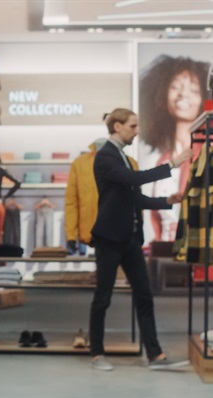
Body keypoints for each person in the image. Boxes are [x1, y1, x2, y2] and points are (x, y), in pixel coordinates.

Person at [89, 108, 192, 371]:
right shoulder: (105, 158)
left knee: (144, 296)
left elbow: (135, 198)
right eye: (132, 126)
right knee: (103, 298)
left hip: (131, 239)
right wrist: (173, 163)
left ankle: (155, 355)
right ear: (117, 127)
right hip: (110, 239)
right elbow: (133, 180)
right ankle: (97, 354)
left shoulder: (123, 158)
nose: (137, 131)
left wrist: (165, 201)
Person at [138, 55, 211, 241]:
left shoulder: (205, 153)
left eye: (193, 90)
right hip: (164, 245)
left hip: (194, 243)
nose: (183, 95)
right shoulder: (161, 159)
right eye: (175, 87)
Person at [64, 137, 138, 255]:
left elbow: (136, 200)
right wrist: (71, 235)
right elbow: (72, 202)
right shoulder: (80, 164)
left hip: (121, 230)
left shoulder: (129, 163)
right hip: (91, 231)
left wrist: (139, 230)